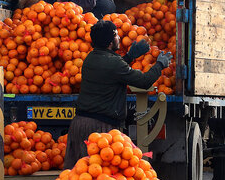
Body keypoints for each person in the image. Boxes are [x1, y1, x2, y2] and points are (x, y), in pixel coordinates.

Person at [64, 20, 170, 166]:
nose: (119, 38)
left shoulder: (90, 58)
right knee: (100, 176)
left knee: (80, 174)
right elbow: (144, 81)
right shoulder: (113, 63)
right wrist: (160, 65)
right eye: (116, 35)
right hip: (100, 129)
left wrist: (129, 56)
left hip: (80, 124)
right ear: (110, 40)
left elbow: (111, 69)